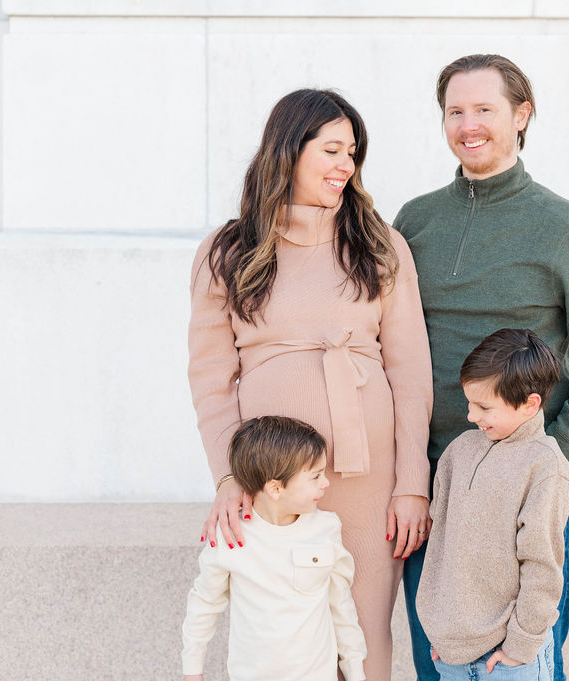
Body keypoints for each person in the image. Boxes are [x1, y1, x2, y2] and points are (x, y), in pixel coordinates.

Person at [393, 54, 569, 681]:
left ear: (521, 115)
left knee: (523, 660)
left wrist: (552, 450)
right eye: (455, 111)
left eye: (484, 109)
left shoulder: (562, 226)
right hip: (437, 485)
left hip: (525, 490)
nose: (467, 125)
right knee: (440, 658)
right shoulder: (416, 220)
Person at [187, 88, 433, 681]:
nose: (346, 166)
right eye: (331, 150)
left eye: (352, 153)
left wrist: (411, 487)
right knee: (281, 636)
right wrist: (229, 476)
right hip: (270, 484)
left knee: (363, 631)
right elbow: (211, 381)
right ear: (288, 152)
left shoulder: (379, 247)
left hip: (369, 478)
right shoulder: (228, 252)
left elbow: (410, 373)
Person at [416, 329, 569, 681]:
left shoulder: (546, 468)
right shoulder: (459, 451)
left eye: (484, 407)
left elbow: (543, 568)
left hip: (510, 661)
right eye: (469, 403)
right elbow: (441, 546)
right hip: (450, 655)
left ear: (530, 404)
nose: (472, 415)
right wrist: (442, 630)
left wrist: (520, 647)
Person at [181, 415, 367, 681]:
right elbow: (204, 603)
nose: (326, 483)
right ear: (276, 489)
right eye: (315, 476)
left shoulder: (326, 529)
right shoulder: (231, 537)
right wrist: (192, 670)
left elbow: (342, 608)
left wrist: (356, 672)